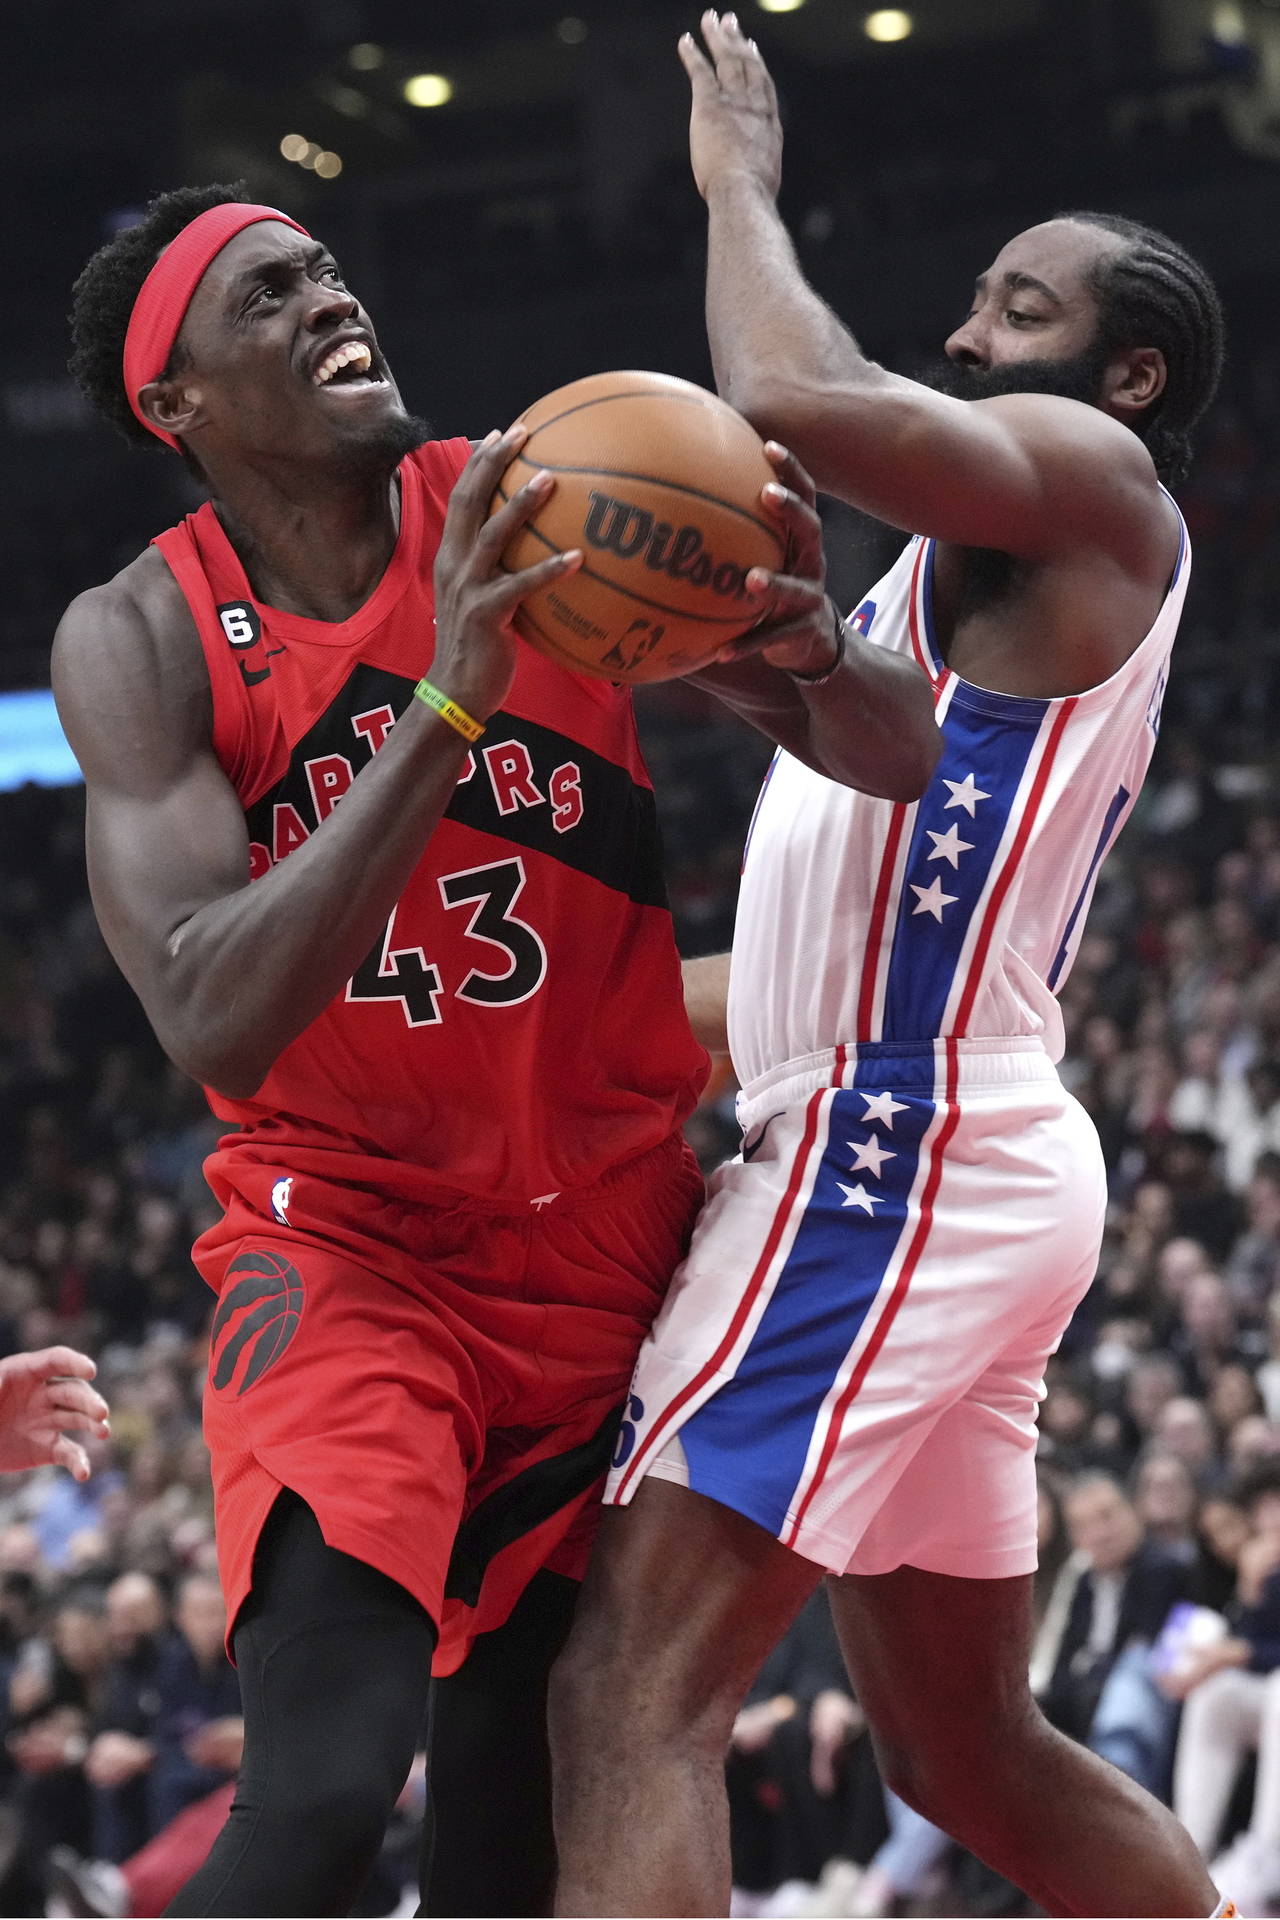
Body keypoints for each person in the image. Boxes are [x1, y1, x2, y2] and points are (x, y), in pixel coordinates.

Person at [55, 182, 938, 1917]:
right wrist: (447, 702)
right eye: (265, 296)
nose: (327, 299)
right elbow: (209, 1010)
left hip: (608, 1245)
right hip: (355, 1245)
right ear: (177, 403)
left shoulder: (546, 501)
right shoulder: (145, 635)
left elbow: (896, 754)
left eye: (326, 268)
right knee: (322, 1793)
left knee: (506, 1839)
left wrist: (810, 644)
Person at [547, 13, 1231, 1917]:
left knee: (632, 1691)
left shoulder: (1098, 476)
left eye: (1020, 309)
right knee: (965, 1752)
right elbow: (802, 952)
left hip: (897, 1154)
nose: (969, 333)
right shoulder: (942, 588)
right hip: (936, 1139)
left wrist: (737, 185)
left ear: (1126, 371)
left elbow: (788, 385)